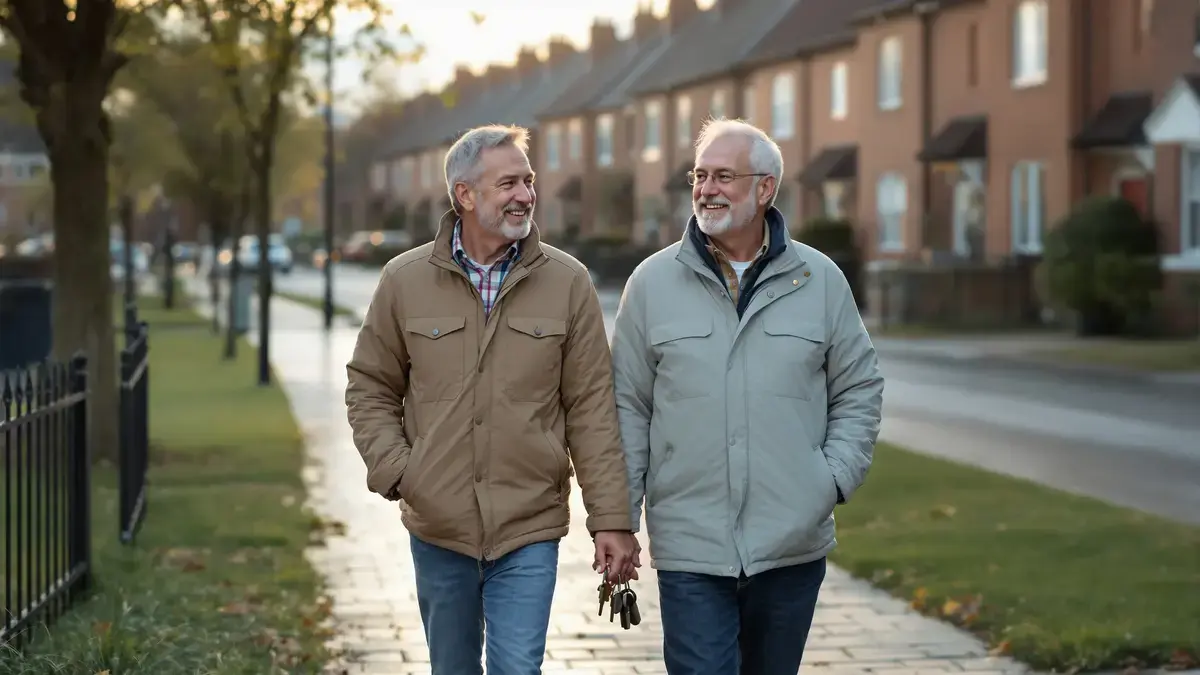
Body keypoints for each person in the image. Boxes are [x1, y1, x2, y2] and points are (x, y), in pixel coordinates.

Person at [345, 124, 639, 675]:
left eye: (528, 181)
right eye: (508, 183)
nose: (525, 195)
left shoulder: (568, 282)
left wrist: (611, 520)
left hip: (530, 525)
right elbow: (370, 385)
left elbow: (592, 409)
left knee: (518, 668)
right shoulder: (404, 280)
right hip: (438, 526)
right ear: (465, 194)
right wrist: (402, 472)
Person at [611, 119, 884, 675]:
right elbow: (627, 405)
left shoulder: (820, 279)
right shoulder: (651, 283)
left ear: (765, 189)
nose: (706, 189)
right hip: (690, 541)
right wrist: (619, 518)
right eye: (700, 175)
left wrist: (830, 479)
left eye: (723, 176)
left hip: (791, 541)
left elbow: (859, 385)